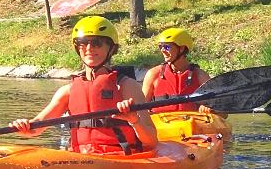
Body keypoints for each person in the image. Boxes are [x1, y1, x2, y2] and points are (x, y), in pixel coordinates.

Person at [12, 16, 158, 154]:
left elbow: (151, 141)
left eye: (97, 43)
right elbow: (36, 127)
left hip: (120, 157)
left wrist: (134, 121)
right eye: (82, 43)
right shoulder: (67, 91)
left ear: (112, 48)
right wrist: (24, 126)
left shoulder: (127, 86)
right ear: (77, 48)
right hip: (80, 158)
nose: (89, 48)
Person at [142, 27, 210, 112]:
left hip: (191, 122)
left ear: (182, 48)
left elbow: (223, 114)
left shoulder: (201, 76)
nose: (163, 50)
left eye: (167, 47)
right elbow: (141, 110)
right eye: (160, 47)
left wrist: (210, 108)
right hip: (161, 123)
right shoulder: (153, 74)